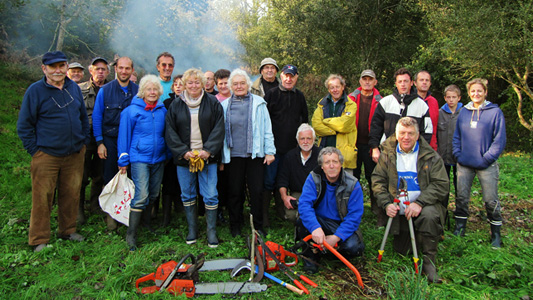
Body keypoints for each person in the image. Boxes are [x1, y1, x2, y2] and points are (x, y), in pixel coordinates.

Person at [17, 51, 90, 252]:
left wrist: (83, 141)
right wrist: (36, 151)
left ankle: (67, 230)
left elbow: (83, 117)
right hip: (47, 155)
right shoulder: (35, 91)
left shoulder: (73, 88)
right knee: (43, 197)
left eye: (61, 66)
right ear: (44, 69)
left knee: (71, 193)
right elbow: (24, 125)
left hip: (74, 153)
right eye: (53, 66)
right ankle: (39, 239)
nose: (57, 70)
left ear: (67, 67)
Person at [372, 117, 449, 283]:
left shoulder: (431, 156)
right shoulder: (387, 155)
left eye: (410, 133)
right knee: (401, 251)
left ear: (417, 135)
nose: (406, 137)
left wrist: (419, 203)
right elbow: (377, 181)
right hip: (399, 210)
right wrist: (386, 204)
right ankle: (419, 235)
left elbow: (441, 185)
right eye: (402, 133)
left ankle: (429, 261)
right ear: (396, 135)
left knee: (428, 216)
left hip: (424, 205)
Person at [165, 68, 225, 248]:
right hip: (185, 158)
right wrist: (183, 151)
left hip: (207, 157)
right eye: (189, 82)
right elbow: (170, 131)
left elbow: (219, 128)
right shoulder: (176, 105)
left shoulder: (213, 102)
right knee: (187, 194)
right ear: (184, 84)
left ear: (203, 84)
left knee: (211, 194)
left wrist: (208, 150)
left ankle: (211, 231)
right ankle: (192, 229)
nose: (193, 85)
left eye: (197, 82)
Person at [221, 69, 276, 237]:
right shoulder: (224, 106)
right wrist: (221, 158)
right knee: (235, 193)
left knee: (257, 191)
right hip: (233, 156)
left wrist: (269, 151)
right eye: (235, 84)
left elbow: (267, 129)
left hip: (255, 156)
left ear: (248, 84)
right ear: (231, 86)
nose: (239, 86)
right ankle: (235, 226)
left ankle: (258, 227)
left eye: (242, 83)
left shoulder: (259, 103)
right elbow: (220, 132)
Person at [452, 78, 506, 248]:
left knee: (490, 199)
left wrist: (487, 158)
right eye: (473, 91)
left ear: (485, 93)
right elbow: (457, 136)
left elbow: (499, 139)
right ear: (469, 93)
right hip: (464, 163)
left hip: (486, 164)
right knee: (461, 197)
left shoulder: (494, 112)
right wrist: (458, 154)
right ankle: (460, 227)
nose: (476, 94)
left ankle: (495, 234)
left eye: (479, 91)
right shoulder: (464, 112)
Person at [117, 75, 168, 250]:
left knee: (154, 193)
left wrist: (167, 154)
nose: (152, 92)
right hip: (139, 158)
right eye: (149, 89)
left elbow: (166, 134)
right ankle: (131, 234)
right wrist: (123, 159)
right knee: (141, 195)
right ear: (143, 91)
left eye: (155, 89)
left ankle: (146, 224)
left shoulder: (162, 111)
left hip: (159, 158)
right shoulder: (132, 111)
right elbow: (124, 135)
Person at [297, 147, 365, 274]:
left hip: (340, 223)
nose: (331, 166)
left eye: (335, 161)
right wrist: (315, 227)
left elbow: (354, 216)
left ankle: (327, 249)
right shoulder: (313, 178)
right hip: (319, 221)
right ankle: (310, 258)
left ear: (341, 164)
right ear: (322, 166)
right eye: (327, 162)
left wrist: (336, 237)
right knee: (302, 221)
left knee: (354, 248)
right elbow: (304, 205)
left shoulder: (353, 184)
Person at [92, 57, 138, 230]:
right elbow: (97, 117)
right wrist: (99, 142)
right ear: (115, 69)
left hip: (132, 142)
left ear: (132, 70)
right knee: (110, 177)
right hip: (110, 140)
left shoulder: (138, 91)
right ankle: (111, 217)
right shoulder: (105, 91)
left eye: (127, 68)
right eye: (121, 68)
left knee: (131, 179)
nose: (124, 71)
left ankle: (127, 216)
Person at [262, 64, 308, 227]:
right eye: (286, 75)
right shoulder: (271, 94)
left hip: (292, 149)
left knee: (284, 180)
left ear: (296, 78)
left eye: (292, 76)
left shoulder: (300, 96)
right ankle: (264, 214)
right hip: (272, 149)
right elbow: (263, 121)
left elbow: (304, 121)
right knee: (269, 181)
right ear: (281, 76)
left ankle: (281, 210)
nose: (288, 79)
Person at [369, 67, 433, 163]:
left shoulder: (422, 105)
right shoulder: (385, 102)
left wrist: (420, 152)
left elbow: (427, 132)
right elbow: (375, 127)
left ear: (411, 83)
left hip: (412, 155)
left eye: (406, 81)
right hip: (388, 153)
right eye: (400, 81)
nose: (403, 84)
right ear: (396, 84)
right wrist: (374, 148)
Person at [348, 69, 386, 226]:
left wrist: (376, 145)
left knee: (373, 177)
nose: (367, 82)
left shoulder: (381, 100)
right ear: (360, 81)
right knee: (353, 178)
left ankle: (377, 210)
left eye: (370, 79)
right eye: (364, 79)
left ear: (375, 82)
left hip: (371, 146)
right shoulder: (351, 98)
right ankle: (353, 208)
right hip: (353, 146)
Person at [77, 57, 110, 224]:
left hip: (103, 137)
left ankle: (94, 204)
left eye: (103, 69)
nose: (100, 72)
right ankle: (78, 209)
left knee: (99, 174)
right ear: (91, 70)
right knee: (81, 175)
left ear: (108, 72)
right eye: (97, 69)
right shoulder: (79, 89)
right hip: (84, 137)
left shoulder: (111, 89)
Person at [312, 74, 357, 171]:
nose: (335, 90)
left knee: (346, 184)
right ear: (328, 89)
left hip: (344, 155)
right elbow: (316, 125)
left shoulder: (351, 105)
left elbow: (344, 125)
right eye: (332, 87)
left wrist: (325, 121)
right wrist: (335, 130)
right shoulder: (322, 104)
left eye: (337, 87)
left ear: (343, 87)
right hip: (324, 152)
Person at [277, 124, 320, 223]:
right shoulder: (290, 156)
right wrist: (285, 197)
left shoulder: (321, 155)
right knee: (291, 216)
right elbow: (282, 181)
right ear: (297, 140)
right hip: (298, 194)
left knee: (316, 214)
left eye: (309, 138)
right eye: (302, 139)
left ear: (314, 139)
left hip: (317, 193)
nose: (305, 142)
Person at [160, 75, 184, 227]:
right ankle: (165, 216)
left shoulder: (191, 103)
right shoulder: (166, 103)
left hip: (186, 149)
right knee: (168, 181)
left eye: (182, 84)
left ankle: (182, 211)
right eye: (176, 84)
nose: (178, 87)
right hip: (170, 148)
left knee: (182, 181)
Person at [437, 84, 463, 203]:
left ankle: (460, 212)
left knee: (460, 186)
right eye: (449, 97)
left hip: (460, 157)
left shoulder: (464, 113)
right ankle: (443, 211)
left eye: (454, 97)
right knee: (443, 186)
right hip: (443, 156)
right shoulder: (439, 113)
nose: (451, 100)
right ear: (445, 98)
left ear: (459, 98)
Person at [415, 71, 439, 151]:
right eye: (421, 80)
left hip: (430, 147)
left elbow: (435, 126)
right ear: (415, 83)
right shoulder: (410, 101)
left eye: (427, 80)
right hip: (414, 146)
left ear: (430, 83)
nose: (424, 82)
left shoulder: (434, 102)